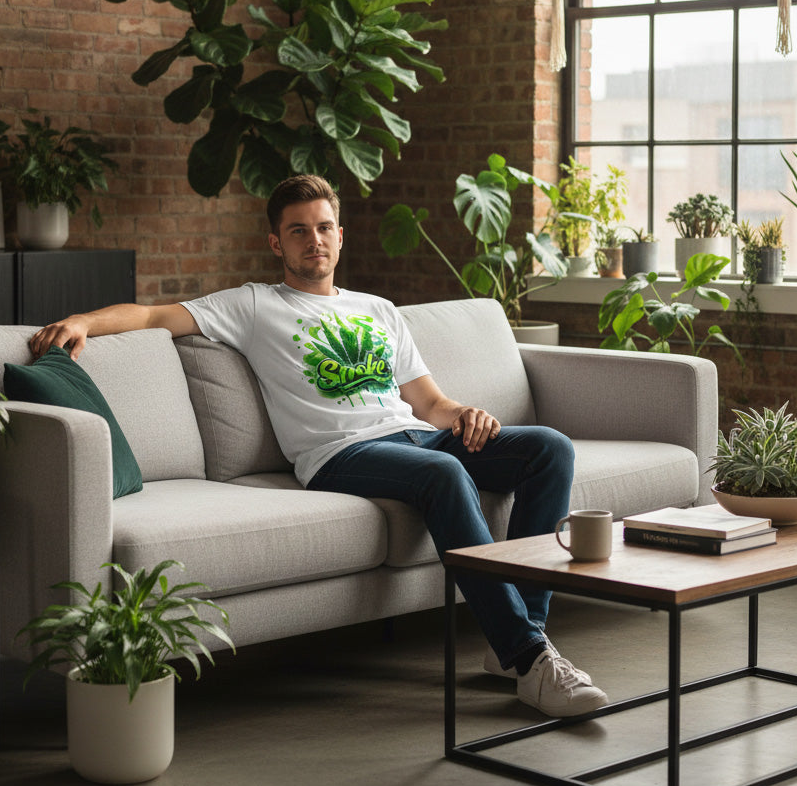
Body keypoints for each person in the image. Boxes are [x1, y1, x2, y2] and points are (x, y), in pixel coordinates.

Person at [31, 174, 608, 718]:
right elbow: (154, 313)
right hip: (342, 454)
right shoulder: (255, 305)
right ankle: (532, 660)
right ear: (275, 243)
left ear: (340, 234)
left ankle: (519, 639)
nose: (316, 240)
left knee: (548, 449)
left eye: (325, 227)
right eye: (299, 230)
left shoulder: (378, 310)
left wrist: (466, 416)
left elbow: (431, 403)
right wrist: (84, 319)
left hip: (418, 434)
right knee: (444, 476)